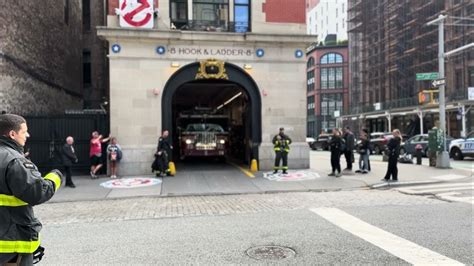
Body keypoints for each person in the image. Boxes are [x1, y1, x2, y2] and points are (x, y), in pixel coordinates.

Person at [0, 114, 63, 265]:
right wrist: (56, 177)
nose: (27, 135)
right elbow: (37, 193)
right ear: (12, 134)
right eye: (24, 131)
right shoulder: (15, 161)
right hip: (12, 243)